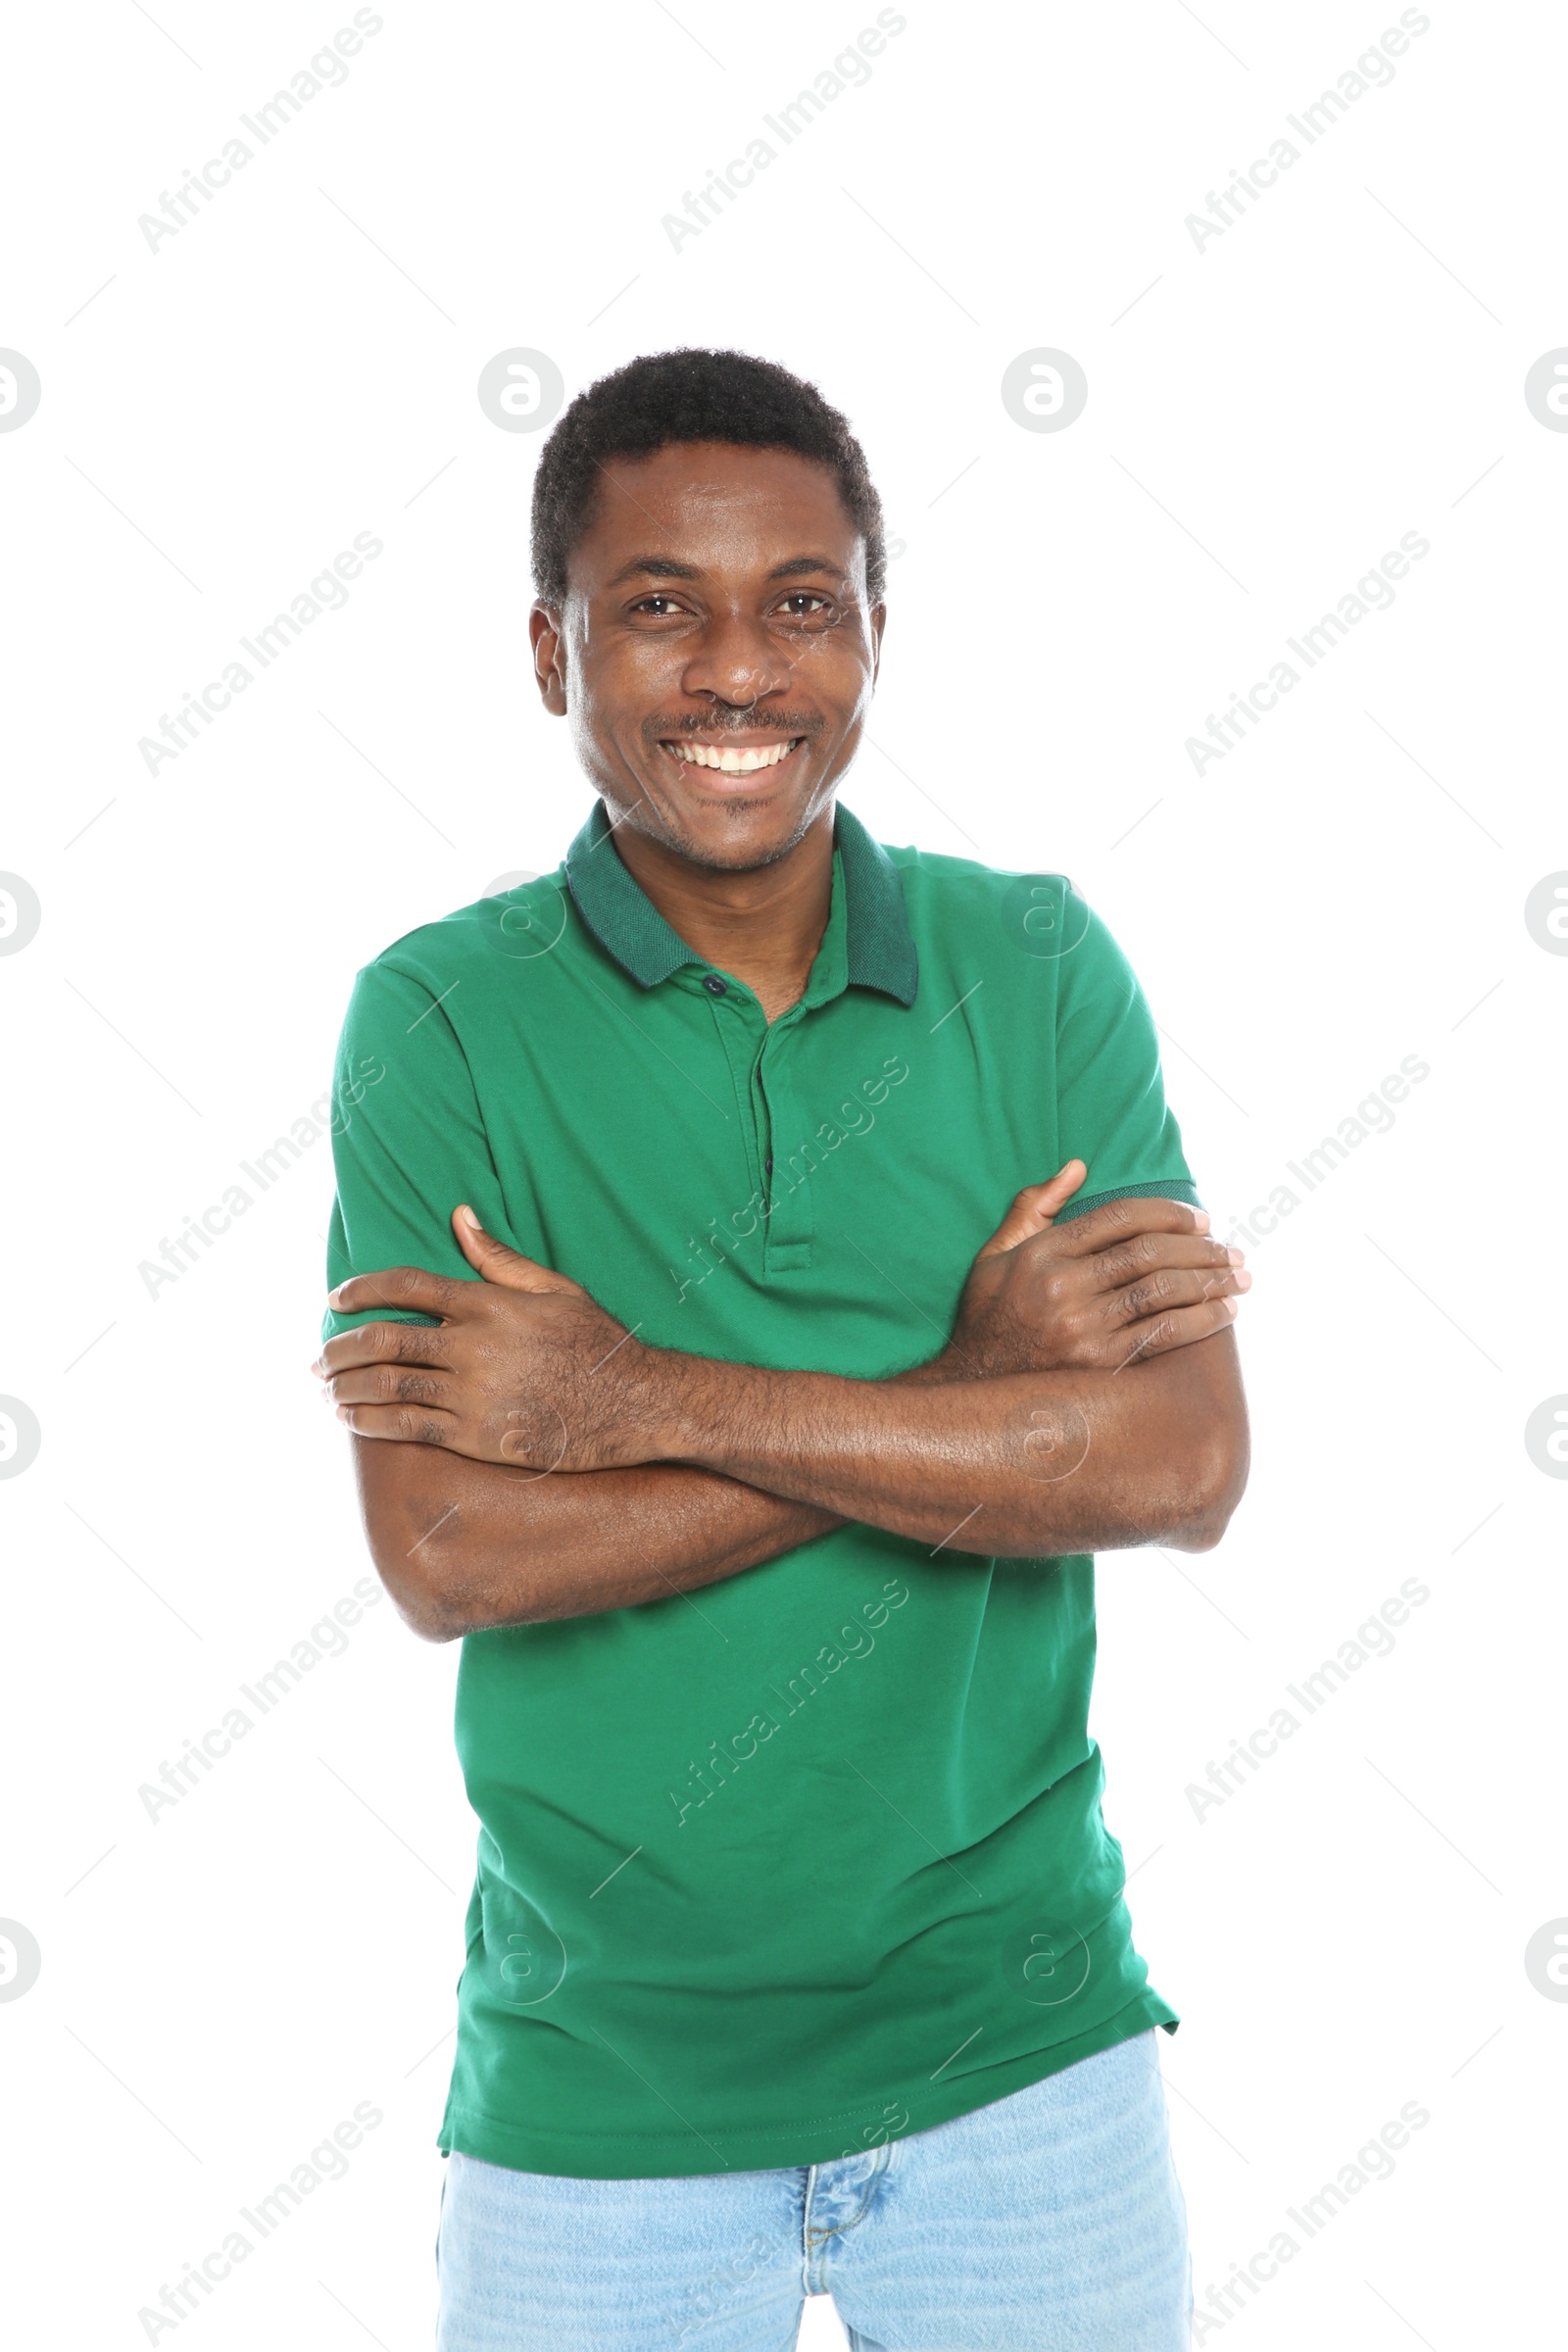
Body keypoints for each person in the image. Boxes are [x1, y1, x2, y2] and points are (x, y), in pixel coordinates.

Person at [314, 347, 1250, 2350]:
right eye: (658, 606)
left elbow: (1174, 1471)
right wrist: (970, 1406)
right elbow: (449, 1557)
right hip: (595, 2105)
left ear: (874, 635)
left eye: (798, 604)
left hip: (1020, 2065)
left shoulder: (1037, 966)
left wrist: (624, 1405)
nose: (738, 672)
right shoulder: (441, 1020)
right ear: (549, 651)